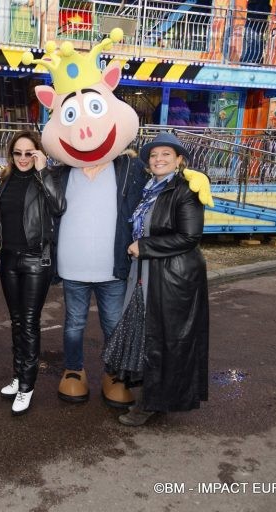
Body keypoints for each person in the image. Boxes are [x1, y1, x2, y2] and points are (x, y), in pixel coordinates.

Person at [21, 31, 213, 408]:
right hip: (73, 267)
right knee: (73, 324)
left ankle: (114, 372)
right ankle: (74, 370)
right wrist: (37, 170)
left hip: (114, 266)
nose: (85, 131)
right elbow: (41, 203)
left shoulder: (128, 168)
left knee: (114, 323)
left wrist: (191, 176)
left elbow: (163, 178)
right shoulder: (60, 174)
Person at [114, 132, 210, 426]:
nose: (159, 159)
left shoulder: (185, 189)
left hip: (173, 277)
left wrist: (145, 247)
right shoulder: (149, 188)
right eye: (154, 155)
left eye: (166, 154)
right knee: (150, 335)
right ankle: (154, 396)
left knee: (165, 340)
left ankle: (152, 402)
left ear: (179, 160)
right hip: (149, 271)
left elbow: (189, 236)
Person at [0, 130, 65, 415]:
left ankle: (27, 386)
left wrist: (43, 170)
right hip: (9, 259)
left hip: (36, 259)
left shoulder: (46, 177)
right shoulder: (4, 180)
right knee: (16, 321)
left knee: (30, 321)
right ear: (11, 155)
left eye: (29, 153)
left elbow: (59, 207)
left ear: (38, 153)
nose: (23, 158)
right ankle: (18, 375)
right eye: (18, 153)